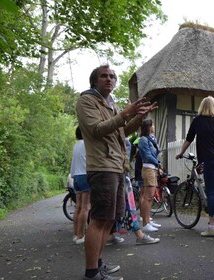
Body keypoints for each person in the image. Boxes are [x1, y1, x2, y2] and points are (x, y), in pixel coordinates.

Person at [76, 64, 157, 280]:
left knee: (111, 218)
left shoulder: (110, 104)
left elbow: (121, 132)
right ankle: (91, 272)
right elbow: (96, 129)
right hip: (102, 166)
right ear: (94, 80)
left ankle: (98, 263)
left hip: (118, 166)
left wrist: (139, 118)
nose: (109, 79)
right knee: (100, 219)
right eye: (104, 76)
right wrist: (124, 114)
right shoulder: (87, 101)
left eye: (112, 76)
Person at [175, 96, 214, 237]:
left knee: (211, 192)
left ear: (202, 107)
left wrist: (181, 153)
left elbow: (188, 139)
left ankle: (213, 227)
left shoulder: (197, 121)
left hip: (210, 159)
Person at [137, 119, 162, 232]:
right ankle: (145, 223)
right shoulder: (143, 140)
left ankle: (148, 220)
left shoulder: (151, 139)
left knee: (150, 197)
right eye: (152, 125)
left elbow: (157, 152)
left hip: (153, 169)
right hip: (148, 169)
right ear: (148, 127)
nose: (154, 126)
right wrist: (158, 163)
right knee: (147, 197)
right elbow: (147, 156)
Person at [70, 126, 91, 245]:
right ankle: (81, 235)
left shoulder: (76, 145)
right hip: (85, 175)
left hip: (76, 176)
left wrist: (73, 175)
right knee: (86, 207)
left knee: (78, 207)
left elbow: (73, 162)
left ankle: (76, 234)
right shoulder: (86, 144)